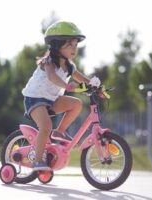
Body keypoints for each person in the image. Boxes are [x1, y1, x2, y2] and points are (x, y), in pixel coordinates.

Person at [21, 21, 100, 171]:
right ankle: (37, 161)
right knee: (45, 126)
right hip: (35, 99)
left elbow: (81, 78)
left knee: (76, 104)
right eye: (70, 45)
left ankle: (59, 132)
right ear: (57, 45)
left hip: (51, 100)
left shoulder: (70, 66)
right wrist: (67, 86)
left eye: (76, 45)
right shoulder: (48, 62)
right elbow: (52, 77)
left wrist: (96, 86)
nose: (74, 49)